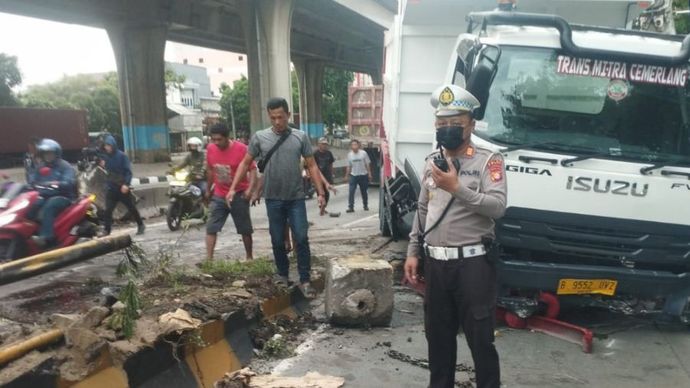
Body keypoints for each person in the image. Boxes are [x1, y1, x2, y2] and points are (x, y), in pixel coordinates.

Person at [404, 85, 507, 388]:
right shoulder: (431, 161)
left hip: (473, 265)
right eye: (441, 124)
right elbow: (423, 209)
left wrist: (456, 188)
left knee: (481, 341)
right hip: (436, 265)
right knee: (437, 340)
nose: (447, 130)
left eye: (455, 124)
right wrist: (412, 251)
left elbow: (497, 207)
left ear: (471, 125)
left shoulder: (489, 160)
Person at [229, 97, 326, 298]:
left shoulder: (300, 137)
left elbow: (312, 165)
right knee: (276, 239)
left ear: (288, 115)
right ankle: (282, 275)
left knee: (301, 237)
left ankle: (305, 279)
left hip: (296, 198)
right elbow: (245, 164)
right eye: (273, 118)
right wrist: (232, 188)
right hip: (273, 198)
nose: (277, 122)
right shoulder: (259, 138)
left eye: (280, 117)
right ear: (269, 116)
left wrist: (320, 192)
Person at [205, 123, 257, 261]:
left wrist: (250, 190)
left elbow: (252, 169)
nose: (216, 143)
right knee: (211, 227)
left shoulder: (241, 149)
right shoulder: (210, 149)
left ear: (227, 138)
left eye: (219, 140)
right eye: (213, 140)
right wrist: (208, 189)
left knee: (244, 228)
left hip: (239, 194)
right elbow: (210, 170)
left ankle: (249, 257)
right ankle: (209, 259)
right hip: (219, 194)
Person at [27, 139, 77, 247]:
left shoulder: (65, 166)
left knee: (50, 205)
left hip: (63, 196)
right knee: (32, 205)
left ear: (56, 153)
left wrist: (57, 183)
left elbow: (69, 182)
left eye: (50, 153)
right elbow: (33, 180)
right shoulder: (41, 167)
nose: (48, 156)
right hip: (44, 195)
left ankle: (46, 237)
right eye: (46, 153)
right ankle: (28, 233)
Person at [100, 135, 145, 236]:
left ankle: (141, 224)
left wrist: (126, 184)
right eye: (106, 146)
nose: (107, 148)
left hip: (121, 188)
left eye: (109, 145)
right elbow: (107, 171)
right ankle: (106, 230)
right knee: (108, 210)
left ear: (113, 145)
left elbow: (128, 172)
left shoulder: (122, 156)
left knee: (131, 207)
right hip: (111, 188)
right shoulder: (106, 157)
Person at [345, 139, 372, 213]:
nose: (354, 146)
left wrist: (369, 174)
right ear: (351, 146)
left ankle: (365, 205)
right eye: (352, 145)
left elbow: (367, 164)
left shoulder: (363, 153)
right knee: (351, 191)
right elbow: (349, 166)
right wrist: (347, 175)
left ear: (358, 145)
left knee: (364, 191)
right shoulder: (349, 155)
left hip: (363, 175)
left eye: (355, 144)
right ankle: (351, 207)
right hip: (354, 175)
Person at [313, 137, 336, 212]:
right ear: (319, 144)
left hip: (327, 176)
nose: (324, 145)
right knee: (319, 192)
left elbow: (331, 164)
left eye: (325, 144)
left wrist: (332, 173)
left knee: (327, 193)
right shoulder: (315, 154)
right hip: (318, 176)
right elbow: (312, 166)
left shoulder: (329, 153)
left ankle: (324, 205)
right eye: (323, 144)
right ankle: (321, 205)